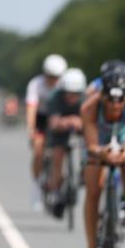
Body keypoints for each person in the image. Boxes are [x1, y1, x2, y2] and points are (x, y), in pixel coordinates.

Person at [80, 70, 125, 248]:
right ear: (102, 96)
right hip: (99, 144)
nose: (116, 106)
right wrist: (102, 153)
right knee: (93, 190)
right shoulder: (89, 108)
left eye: (120, 101)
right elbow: (91, 145)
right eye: (110, 101)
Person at [25, 54, 67, 210]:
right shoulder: (36, 84)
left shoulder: (65, 84)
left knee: (61, 151)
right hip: (41, 118)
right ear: (45, 74)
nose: (53, 80)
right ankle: (36, 185)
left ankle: (59, 182)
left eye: (56, 77)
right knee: (38, 150)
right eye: (50, 77)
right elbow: (31, 108)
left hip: (59, 117)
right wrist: (31, 130)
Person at [44, 67, 87, 217]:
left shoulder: (86, 99)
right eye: (68, 92)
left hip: (80, 130)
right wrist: (68, 121)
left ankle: (84, 172)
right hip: (59, 131)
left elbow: (91, 123)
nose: (71, 97)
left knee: (89, 144)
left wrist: (80, 123)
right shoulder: (55, 98)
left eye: (75, 94)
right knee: (58, 152)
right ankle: (56, 187)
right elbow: (53, 124)